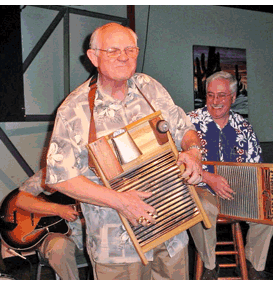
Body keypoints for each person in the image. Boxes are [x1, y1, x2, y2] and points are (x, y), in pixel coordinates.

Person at [44, 22, 203, 280]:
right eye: (113, 50)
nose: (123, 56)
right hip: (117, 246)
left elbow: (184, 127)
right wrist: (121, 201)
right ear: (93, 57)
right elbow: (60, 178)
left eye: (130, 49)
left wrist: (193, 151)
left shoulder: (149, 87)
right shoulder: (74, 110)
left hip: (172, 230)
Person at [188, 71, 273, 280]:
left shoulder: (244, 127)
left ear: (233, 97)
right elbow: (179, 161)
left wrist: (251, 190)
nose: (215, 101)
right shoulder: (189, 123)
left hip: (237, 192)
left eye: (222, 95)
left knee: (270, 207)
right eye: (210, 95)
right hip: (203, 189)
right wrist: (208, 178)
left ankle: (251, 262)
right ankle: (210, 266)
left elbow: (256, 165)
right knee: (201, 208)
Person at [15, 168, 85, 280]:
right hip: (55, 235)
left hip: (97, 238)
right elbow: (21, 200)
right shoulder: (52, 171)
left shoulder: (100, 174)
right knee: (59, 247)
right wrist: (57, 209)